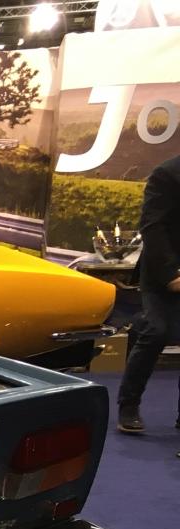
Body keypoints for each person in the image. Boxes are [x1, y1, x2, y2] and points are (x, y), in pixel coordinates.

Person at [116, 152, 180, 433]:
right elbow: (152, 227)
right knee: (156, 331)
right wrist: (171, 274)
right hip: (162, 271)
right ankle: (128, 405)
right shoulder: (167, 173)